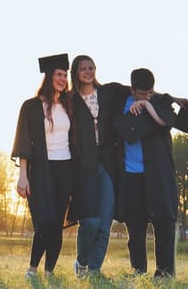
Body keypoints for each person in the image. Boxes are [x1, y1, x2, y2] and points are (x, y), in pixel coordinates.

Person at [67, 55, 132, 277]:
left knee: (105, 222)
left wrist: (171, 98)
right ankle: (81, 262)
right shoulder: (69, 100)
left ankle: (94, 269)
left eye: (91, 67)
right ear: (75, 72)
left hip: (107, 164)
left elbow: (140, 91)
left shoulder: (109, 93)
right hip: (83, 167)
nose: (88, 71)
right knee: (90, 222)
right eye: (83, 68)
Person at [11, 54, 74, 278]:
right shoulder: (31, 106)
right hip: (40, 171)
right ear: (49, 77)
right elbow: (23, 142)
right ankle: (32, 268)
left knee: (57, 223)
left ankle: (49, 272)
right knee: (45, 221)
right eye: (59, 74)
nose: (63, 79)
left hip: (65, 169)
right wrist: (23, 176)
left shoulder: (70, 105)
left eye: (65, 75)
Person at [114, 68, 178, 278]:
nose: (148, 96)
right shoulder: (119, 103)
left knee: (163, 223)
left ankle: (165, 271)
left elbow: (165, 122)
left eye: (151, 92)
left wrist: (147, 104)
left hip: (158, 174)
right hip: (131, 175)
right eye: (143, 94)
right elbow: (121, 129)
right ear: (132, 89)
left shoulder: (159, 102)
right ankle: (138, 269)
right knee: (135, 225)